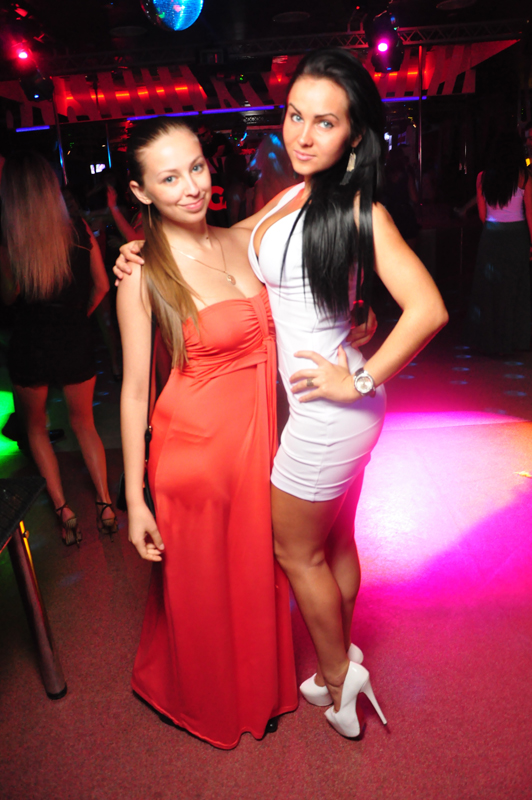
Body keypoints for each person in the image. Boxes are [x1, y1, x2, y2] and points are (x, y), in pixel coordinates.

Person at [115, 48, 447, 740]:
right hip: (320, 413)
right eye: (295, 116)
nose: (302, 134)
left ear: (354, 135)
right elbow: (238, 240)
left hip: (327, 411)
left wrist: (356, 374)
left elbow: (429, 309)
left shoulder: (355, 207)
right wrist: (144, 249)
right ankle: (342, 654)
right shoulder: (297, 195)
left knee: (295, 553)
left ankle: (339, 680)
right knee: (336, 541)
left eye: (324, 123)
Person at [116, 117, 298, 749]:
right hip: (193, 457)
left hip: (258, 447)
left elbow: (308, 188)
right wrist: (134, 499)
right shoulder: (142, 274)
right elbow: (134, 391)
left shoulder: (244, 237)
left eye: (196, 167)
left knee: (257, 571)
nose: (191, 187)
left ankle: (259, 688)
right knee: (204, 594)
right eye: (168, 178)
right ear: (140, 191)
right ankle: (210, 701)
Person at [0, 151, 117, 545]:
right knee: (85, 424)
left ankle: (64, 511)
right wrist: (76, 316)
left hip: (30, 343)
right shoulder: (78, 230)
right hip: (74, 338)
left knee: (35, 426)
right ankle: (105, 505)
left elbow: (8, 296)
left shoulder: (11, 239)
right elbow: (102, 286)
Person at [466, 131, 532, 355]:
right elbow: (530, 213)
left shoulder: (483, 177)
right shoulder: (524, 176)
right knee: (516, 289)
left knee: (490, 291)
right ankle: (515, 340)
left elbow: (483, 215)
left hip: (491, 237)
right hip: (517, 236)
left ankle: (490, 341)